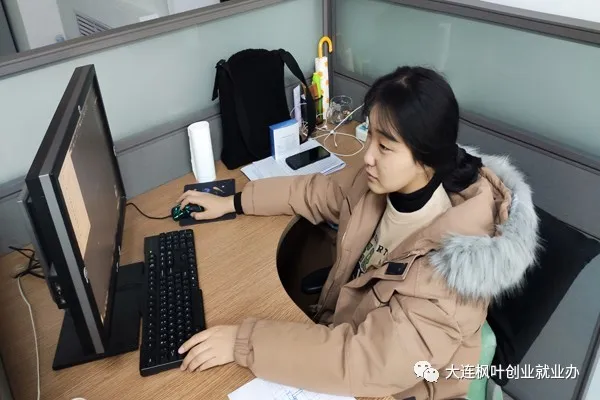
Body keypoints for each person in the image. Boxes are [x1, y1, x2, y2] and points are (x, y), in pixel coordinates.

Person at [174, 66, 539, 399]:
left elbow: (366, 361)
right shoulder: (378, 186)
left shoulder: (449, 276)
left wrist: (243, 342)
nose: (367, 157)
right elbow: (315, 192)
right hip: (351, 340)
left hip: (399, 388)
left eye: (385, 147)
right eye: (370, 137)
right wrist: (234, 201)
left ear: (427, 159)